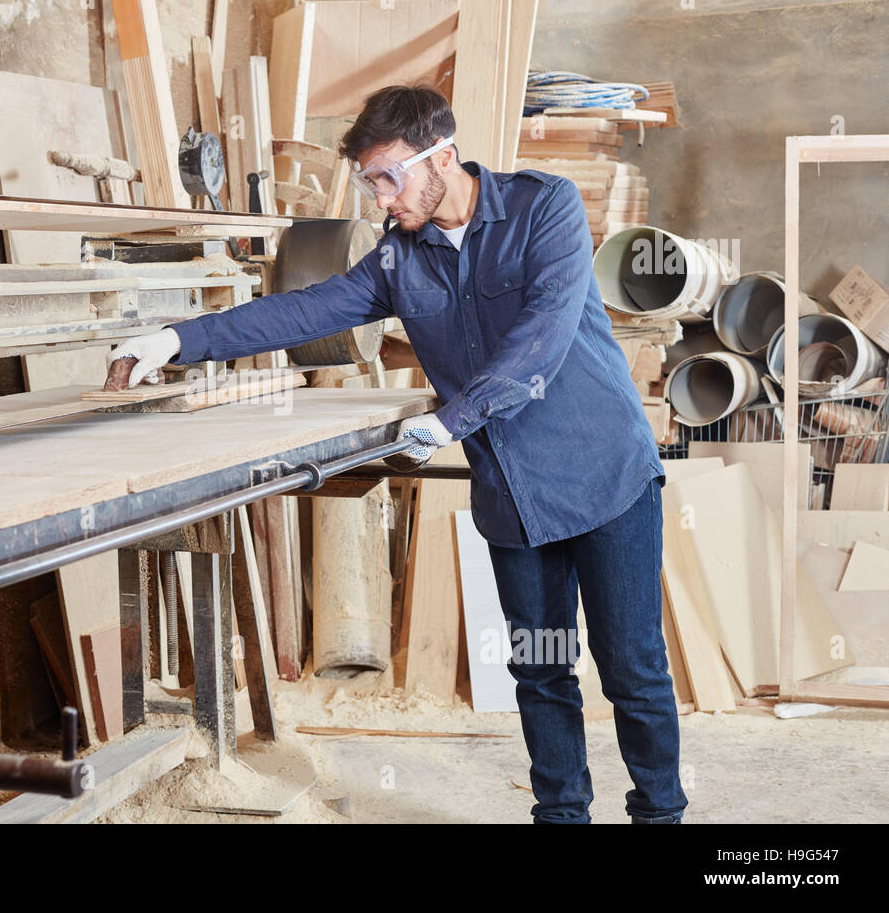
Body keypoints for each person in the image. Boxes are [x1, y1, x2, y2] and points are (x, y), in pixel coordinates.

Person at [108, 83, 686, 824]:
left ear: (441, 155)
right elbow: (306, 309)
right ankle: (562, 815)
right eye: (370, 182)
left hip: (605, 476)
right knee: (541, 672)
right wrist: (176, 341)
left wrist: (454, 420)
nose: (382, 199)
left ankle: (661, 815)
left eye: (390, 177)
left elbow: (541, 338)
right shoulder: (398, 259)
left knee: (633, 670)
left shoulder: (547, 209)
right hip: (515, 495)